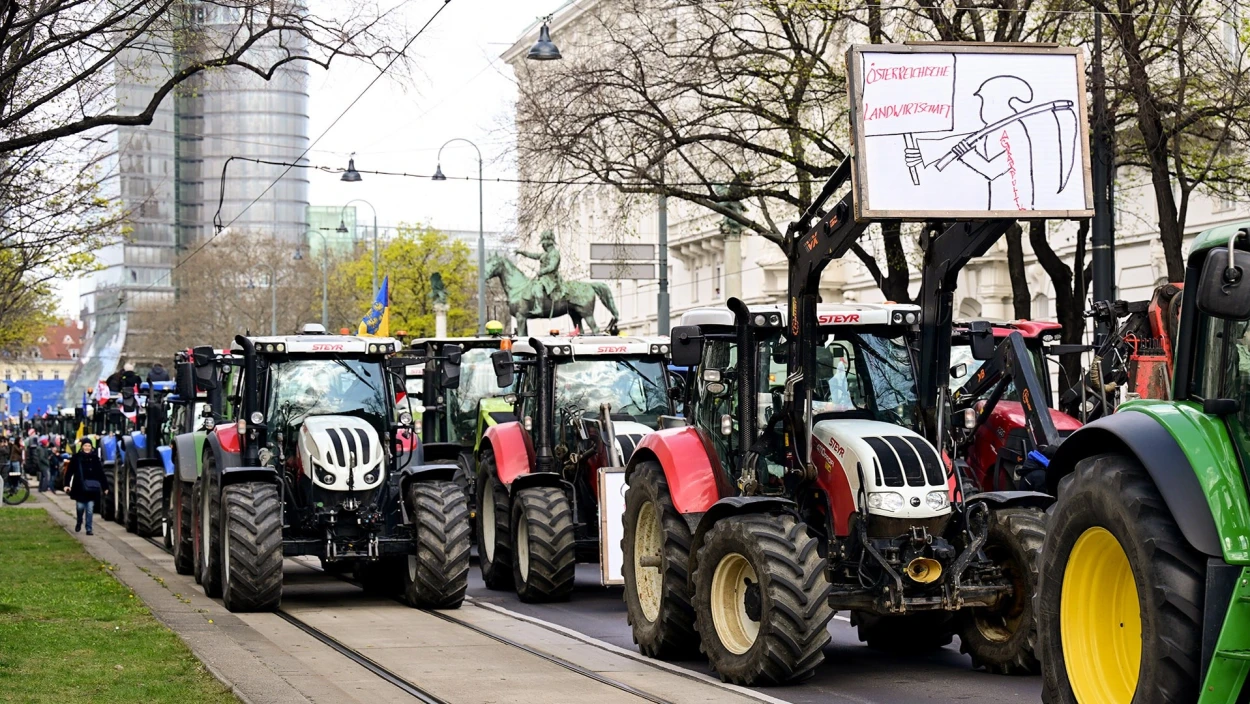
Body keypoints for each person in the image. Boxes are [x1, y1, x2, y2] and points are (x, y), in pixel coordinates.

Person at [66, 440, 108, 535]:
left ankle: (89, 528)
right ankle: (79, 521)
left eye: (89, 446)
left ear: (91, 447)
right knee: (80, 507)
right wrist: (66, 485)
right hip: (79, 488)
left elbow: (101, 473)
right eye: (85, 446)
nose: (87, 448)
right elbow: (69, 472)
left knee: (90, 509)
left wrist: (105, 487)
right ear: (82, 447)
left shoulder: (95, 458)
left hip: (92, 488)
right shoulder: (76, 458)